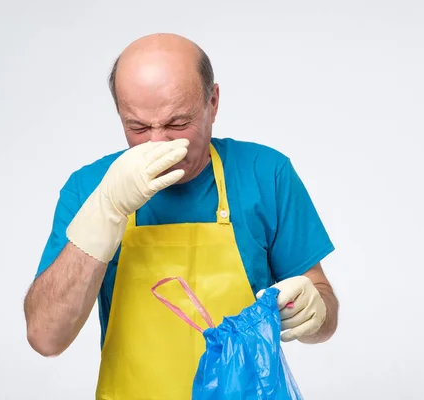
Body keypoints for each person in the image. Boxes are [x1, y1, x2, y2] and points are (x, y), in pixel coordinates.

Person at [23, 32, 339, 398]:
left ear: (213, 102)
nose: (159, 142)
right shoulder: (90, 187)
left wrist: (313, 310)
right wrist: (105, 210)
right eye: (138, 127)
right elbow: (45, 337)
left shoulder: (264, 174)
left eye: (177, 123)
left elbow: (325, 313)